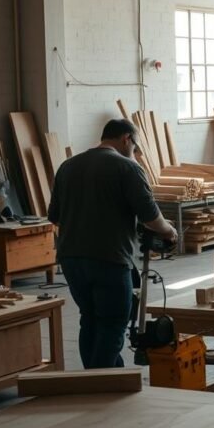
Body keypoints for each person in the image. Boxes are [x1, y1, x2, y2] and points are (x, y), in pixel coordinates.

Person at [48, 119, 178, 368]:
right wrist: (170, 231)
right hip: (108, 259)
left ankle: (100, 377)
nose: (134, 152)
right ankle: (101, 385)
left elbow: (53, 215)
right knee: (112, 323)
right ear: (126, 138)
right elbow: (150, 216)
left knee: (90, 319)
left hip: (71, 259)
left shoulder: (67, 166)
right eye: (134, 145)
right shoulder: (127, 167)